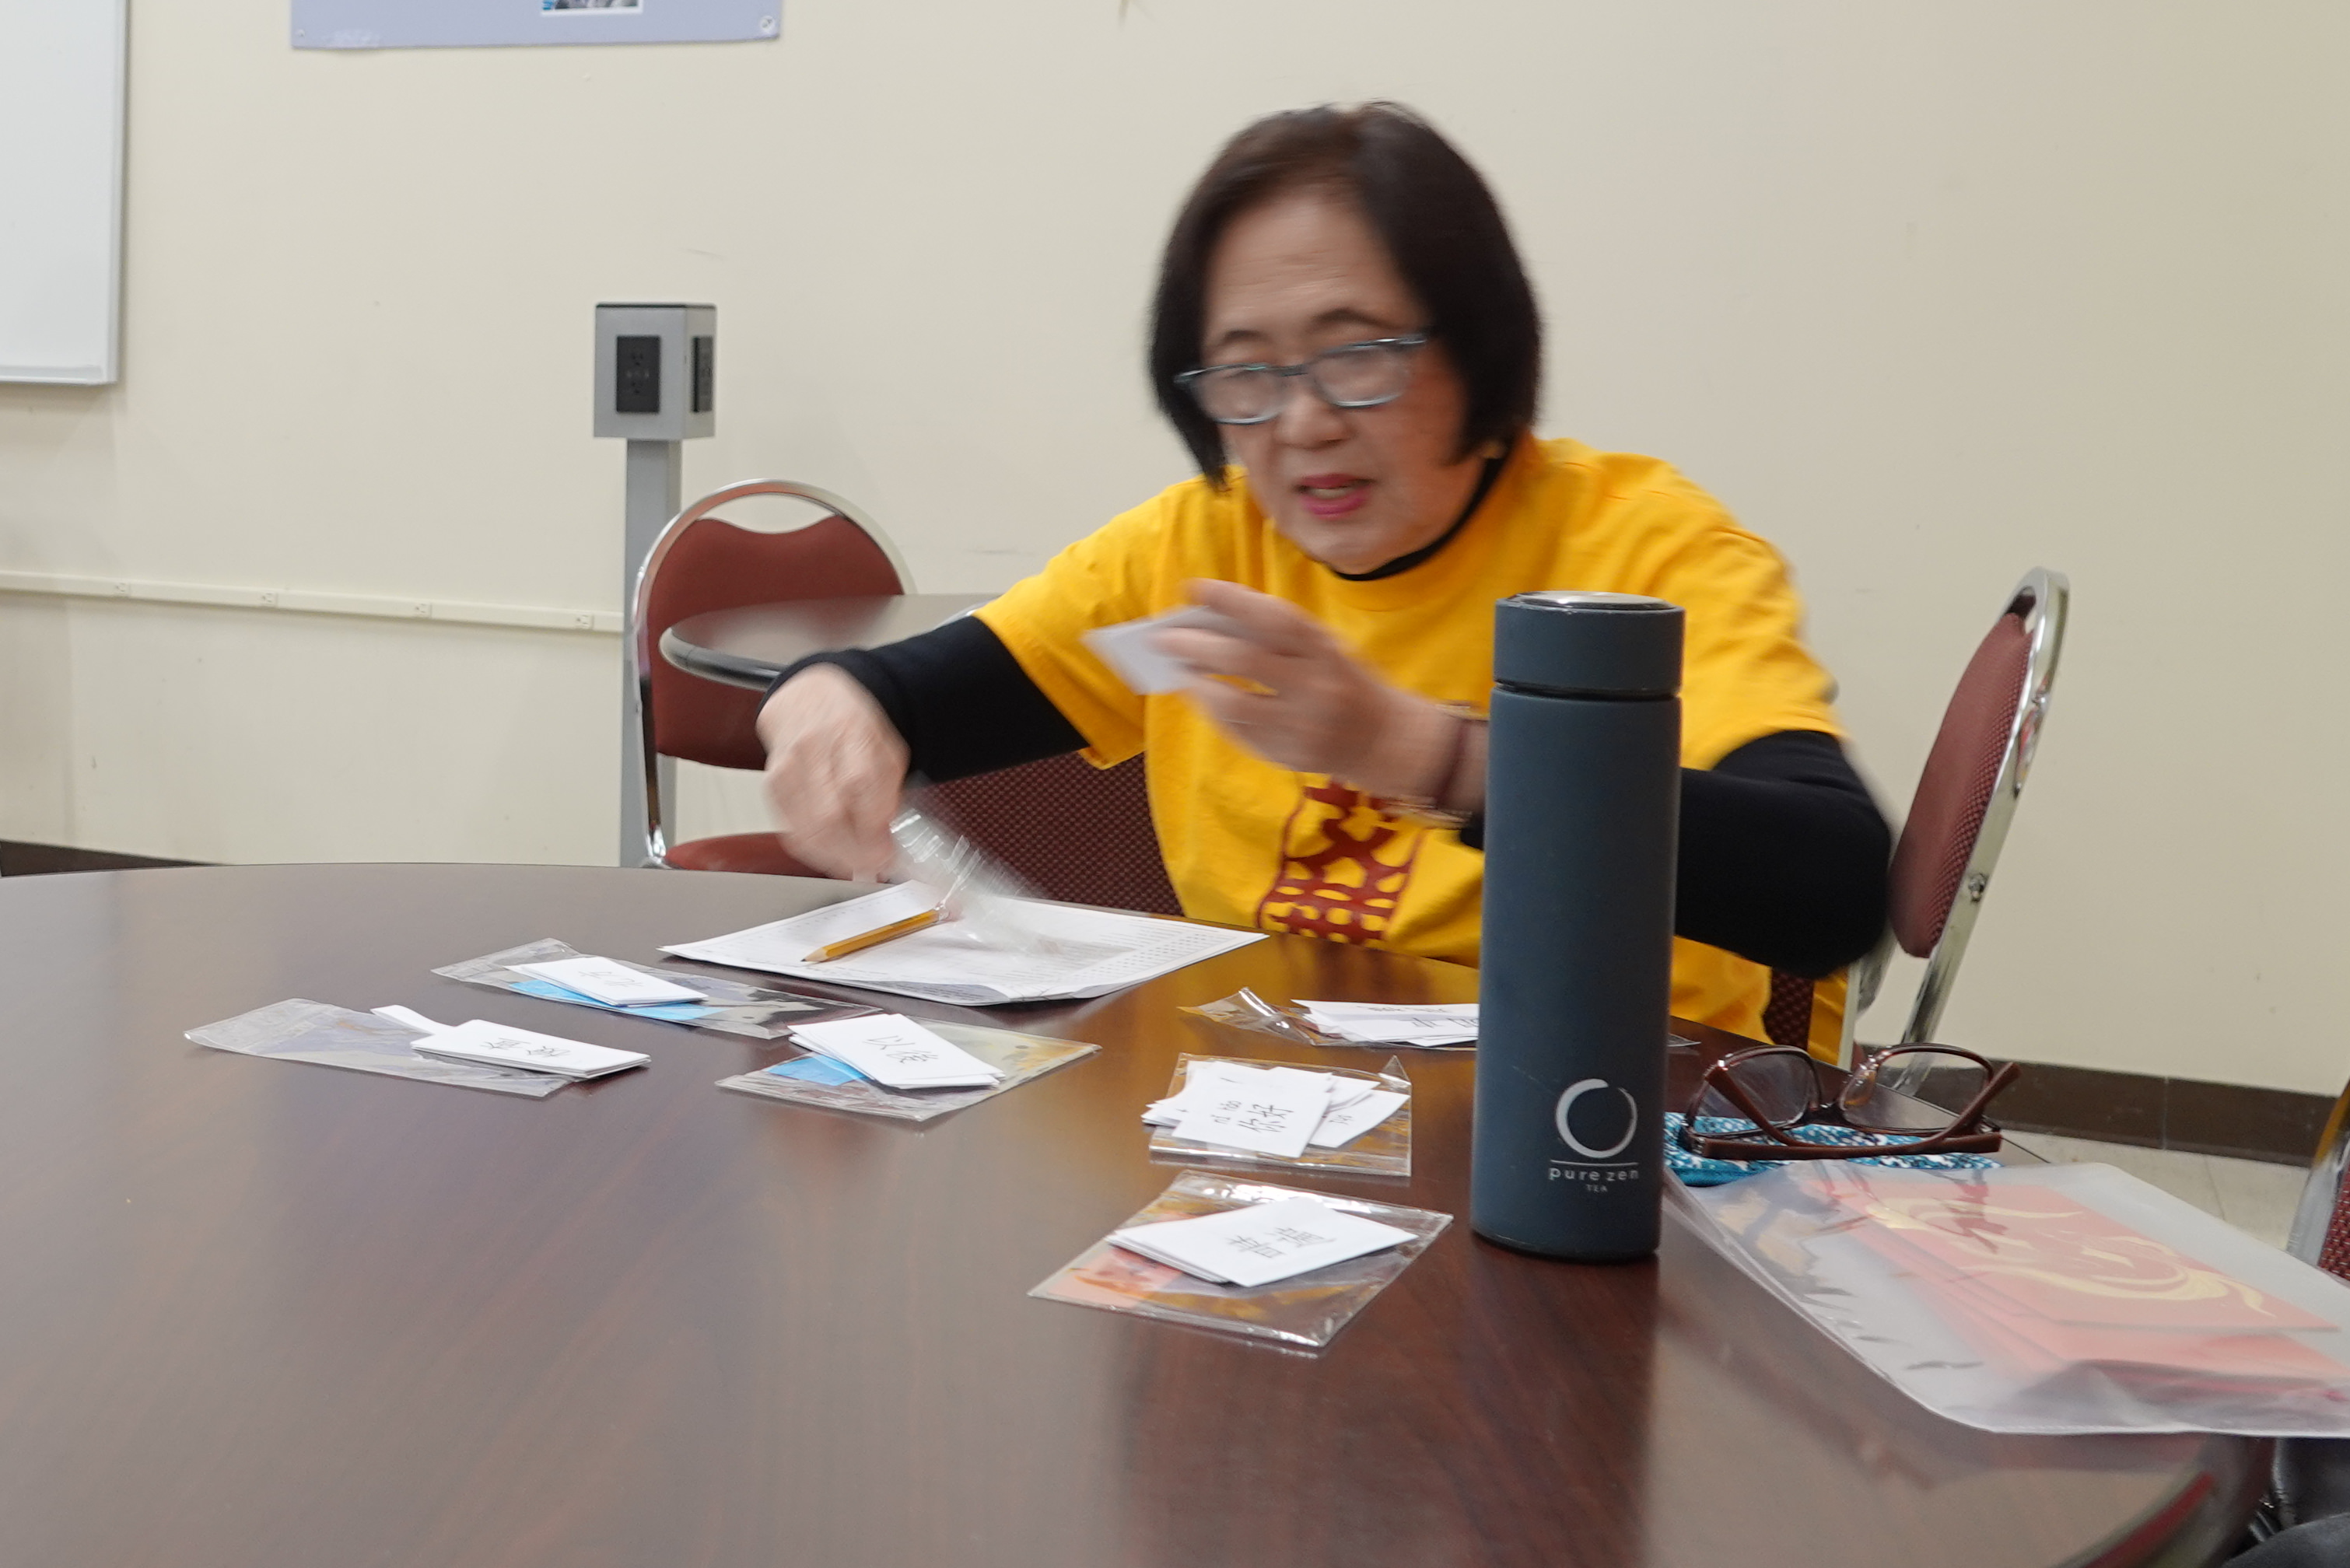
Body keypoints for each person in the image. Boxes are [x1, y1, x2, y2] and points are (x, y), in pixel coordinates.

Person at [761, 100, 1893, 1053]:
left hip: (1599, 1120)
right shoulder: (1202, 550)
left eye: (1356, 356)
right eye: (1246, 375)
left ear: (1478, 344)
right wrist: (832, 699)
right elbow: (921, 694)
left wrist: (1418, 752)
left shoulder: (1640, 556)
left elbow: (1833, 886)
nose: (1301, 425)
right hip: (1272, 1116)